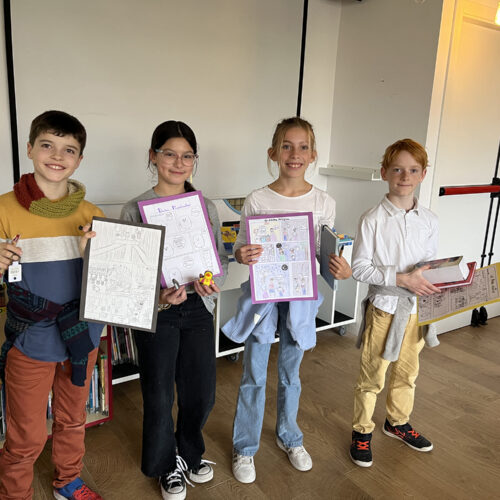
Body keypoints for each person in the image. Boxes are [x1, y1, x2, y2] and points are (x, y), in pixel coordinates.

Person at [223, 117, 352, 484]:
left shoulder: (324, 201)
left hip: (301, 298)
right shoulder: (258, 199)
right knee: (253, 373)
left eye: (303, 147)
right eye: (286, 146)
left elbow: (324, 251)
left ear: (312, 154)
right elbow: (240, 246)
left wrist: (340, 267)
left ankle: (289, 436)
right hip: (263, 298)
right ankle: (245, 446)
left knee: (291, 374)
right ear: (273, 152)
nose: (295, 154)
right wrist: (242, 253)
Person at [120, 120, 228, 500]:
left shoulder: (205, 207)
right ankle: (166, 465)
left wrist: (211, 281)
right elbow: (129, 277)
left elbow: (219, 261)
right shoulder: (134, 210)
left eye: (187, 156)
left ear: (194, 160)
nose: (178, 163)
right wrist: (160, 297)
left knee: (201, 391)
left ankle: (190, 453)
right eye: (169, 154)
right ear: (153, 156)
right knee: (159, 392)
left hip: (198, 308)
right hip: (159, 313)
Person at [0, 111, 104, 499]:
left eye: (69, 149)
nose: (57, 156)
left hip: (81, 337)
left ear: (80, 159)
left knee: (73, 417)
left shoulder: (92, 214)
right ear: (30, 149)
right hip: (31, 339)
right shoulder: (4, 209)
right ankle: (15, 493)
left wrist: (95, 258)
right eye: (47, 145)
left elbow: (110, 280)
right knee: (25, 432)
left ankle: (68, 480)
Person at [349, 138, 441, 468]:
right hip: (384, 308)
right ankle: (362, 430)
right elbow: (360, 268)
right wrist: (402, 279)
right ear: (385, 172)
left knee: (407, 372)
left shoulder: (429, 219)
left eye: (413, 170)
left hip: (416, 310)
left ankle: (397, 422)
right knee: (372, 375)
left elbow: (430, 264)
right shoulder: (372, 219)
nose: (405, 176)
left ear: (423, 174)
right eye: (398, 169)